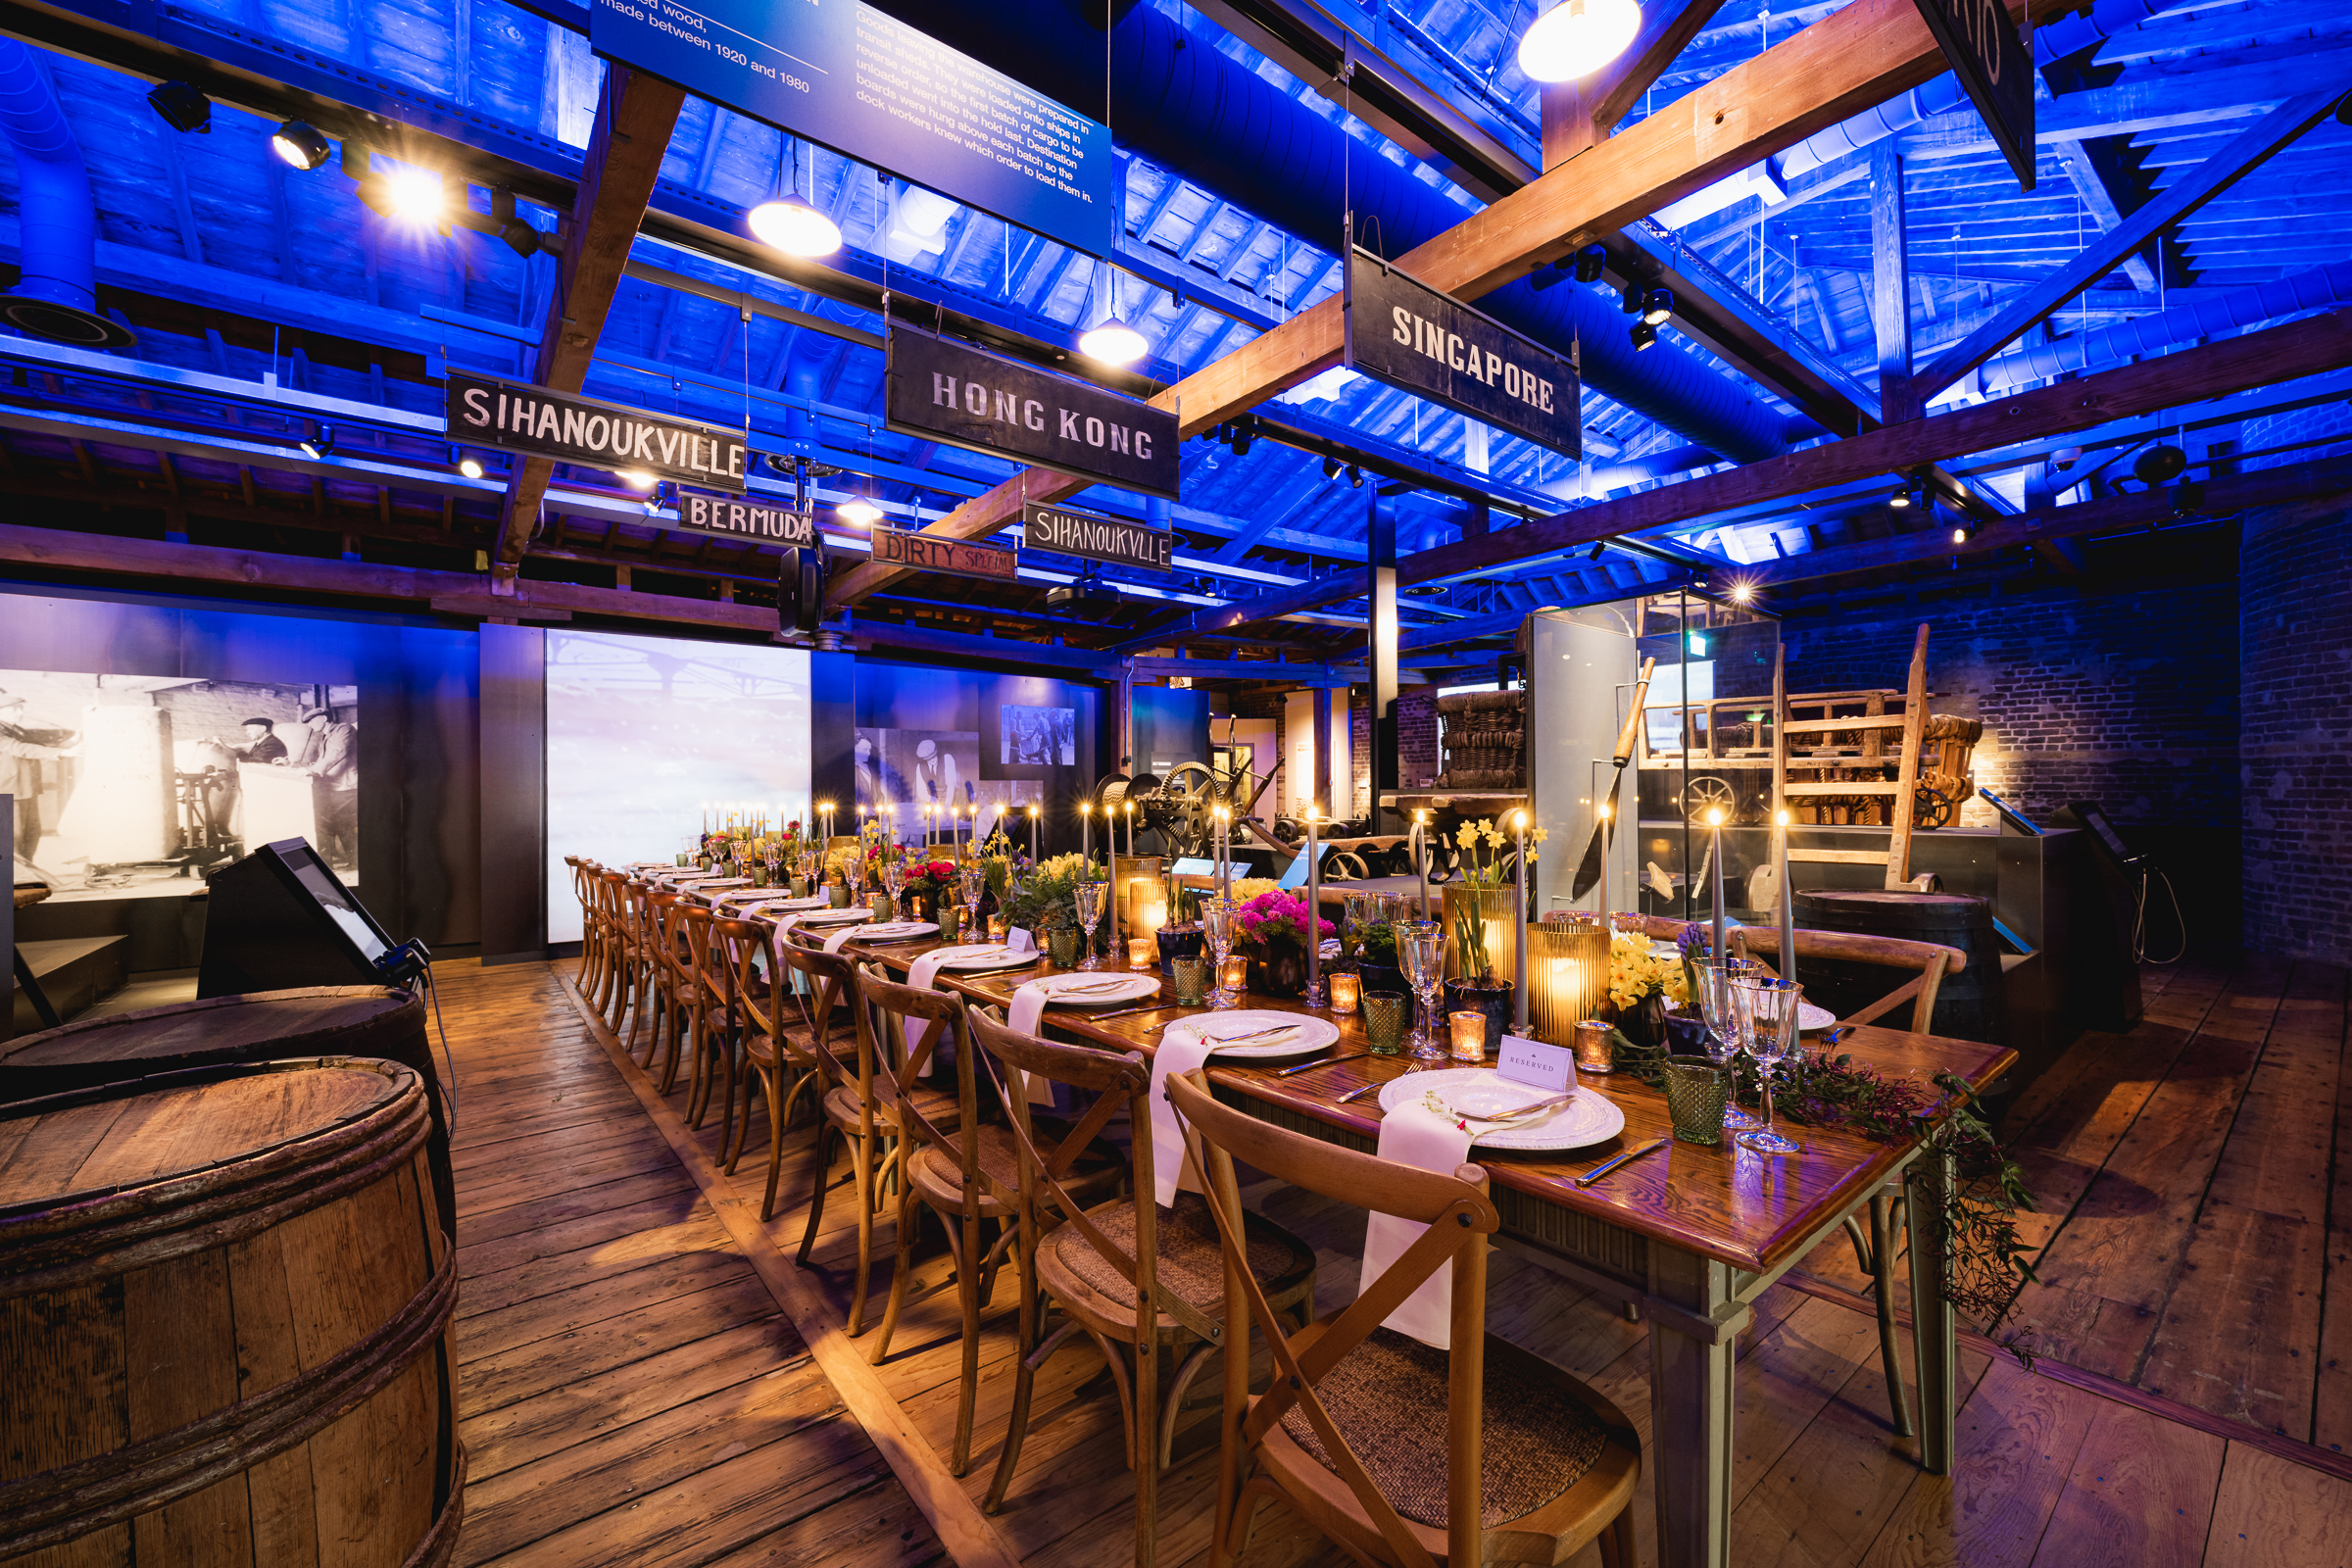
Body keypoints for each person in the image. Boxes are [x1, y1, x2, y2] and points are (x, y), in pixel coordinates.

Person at [0, 690, 77, 869]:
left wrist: (73, 741)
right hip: (8, 792)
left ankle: (26, 877)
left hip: (26, 790)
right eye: (15, 709)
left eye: (21, 708)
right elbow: (20, 748)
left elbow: (40, 748)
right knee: (13, 838)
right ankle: (12, 880)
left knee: (31, 836)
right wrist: (62, 752)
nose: (20, 713)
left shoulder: (16, 730)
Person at [278, 705, 358, 869]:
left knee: (329, 823)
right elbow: (323, 758)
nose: (310, 725)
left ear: (323, 718)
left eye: (312, 721)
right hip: (335, 785)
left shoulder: (344, 729)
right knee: (341, 825)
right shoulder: (325, 736)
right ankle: (352, 862)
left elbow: (337, 752)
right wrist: (292, 763)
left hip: (346, 785)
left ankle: (328, 864)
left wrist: (313, 770)